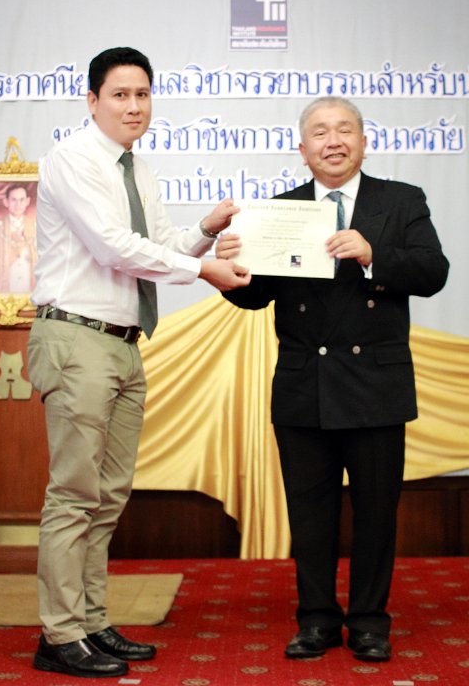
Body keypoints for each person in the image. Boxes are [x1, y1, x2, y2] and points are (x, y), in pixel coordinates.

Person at [27, 46, 250, 680]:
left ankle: (91, 621)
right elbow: (113, 247)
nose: (134, 106)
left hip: (123, 342)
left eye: (143, 94)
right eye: (120, 94)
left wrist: (205, 230)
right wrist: (204, 271)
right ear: (92, 100)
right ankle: (59, 634)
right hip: (77, 338)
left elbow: (157, 245)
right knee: (74, 494)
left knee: (108, 495)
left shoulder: (137, 168)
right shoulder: (72, 159)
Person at [217, 96, 449, 663]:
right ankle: (317, 620)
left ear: (364, 142)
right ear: (303, 149)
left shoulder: (401, 200)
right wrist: (228, 269)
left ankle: (369, 622)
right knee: (310, 516)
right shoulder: (280, 210)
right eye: (320, 133)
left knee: (376, 514)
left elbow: (433, 272)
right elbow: (256, 296)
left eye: (345, 130)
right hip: (305, 386)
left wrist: (373, 254)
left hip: (376, 387)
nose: (333, 141)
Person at [0, 183, 37, 293]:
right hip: (2, 290)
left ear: (27, 201)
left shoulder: (36, 228)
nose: (18, 204)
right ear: (6, 202)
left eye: (21, 200)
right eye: (13, 200)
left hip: (30, 288)